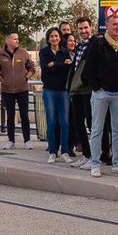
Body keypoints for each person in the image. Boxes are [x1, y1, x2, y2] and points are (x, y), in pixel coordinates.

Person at [83, 13, 118, 178]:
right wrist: (96, 87)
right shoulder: (98, 44)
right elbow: (88, 69)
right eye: (114, 24)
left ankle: (117, 164)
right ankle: (95, 164)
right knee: (97, 130)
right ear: (107, 26)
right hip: (101, 93)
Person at [38, 27, 73, 163]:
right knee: (51, 121)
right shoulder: (43, 52)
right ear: (48, 38)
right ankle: (52, 151)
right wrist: (60, 65)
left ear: (60, 38)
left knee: (65, 122)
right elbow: (45, 70)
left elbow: (68, 68)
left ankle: (64, 151)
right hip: (49, 90)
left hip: (63, 90)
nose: (54, 39)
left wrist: (54, 65)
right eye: (52, 36)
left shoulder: (65, 51)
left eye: (56, 36)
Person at [0, 32, 35, 150]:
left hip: (22, 89)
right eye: (15, 39)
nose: (17, 41)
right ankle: (11, 140)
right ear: (7, 41)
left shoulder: (23, 53)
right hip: (7, 90)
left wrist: (27, 76)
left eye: (18, 39)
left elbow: (31, 67)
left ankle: (27, 140)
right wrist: (2, 81)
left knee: (24, 115)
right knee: (10, 116)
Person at [67, 16, 95, 165]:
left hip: (88, 90)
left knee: (91, 124)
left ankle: (94, 156)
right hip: (76, 90)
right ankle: (86, 153)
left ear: (91, 27)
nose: (83, 31)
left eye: (86, 28)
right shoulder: (78, 46)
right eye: (80, 28)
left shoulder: (95, 44)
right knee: (78, 123)